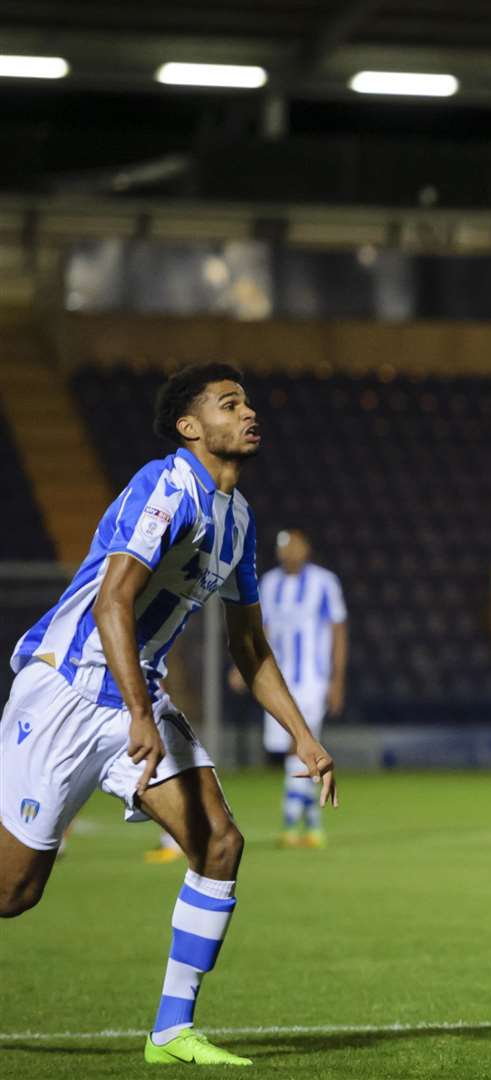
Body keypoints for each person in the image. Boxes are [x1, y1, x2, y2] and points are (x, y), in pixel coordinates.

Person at [0, 362, 338, 1066]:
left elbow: (248, 643)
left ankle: (171, 1031)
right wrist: (138, 713)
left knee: (219, 841)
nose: (248, 412)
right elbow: (110, 601)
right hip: (68, 689)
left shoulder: (239, 520)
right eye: (229, 403)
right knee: (13, 893)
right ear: (191, 427)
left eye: (247, 402)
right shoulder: (166, 484)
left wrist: (303, 736)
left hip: (133, 698)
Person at [229, 528, 347, 849]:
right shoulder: (268, 584)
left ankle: (290, 823)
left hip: (312, 680)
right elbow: (259, 629)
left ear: (306, 548)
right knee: (291, 751)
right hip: (278, 684)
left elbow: (338, 632)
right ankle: (314, 826)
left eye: (293, 546)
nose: (287, 552)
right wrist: (245, 667)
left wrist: (337, 680)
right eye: (282, 547)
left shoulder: (325, 583)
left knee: (300, 747)